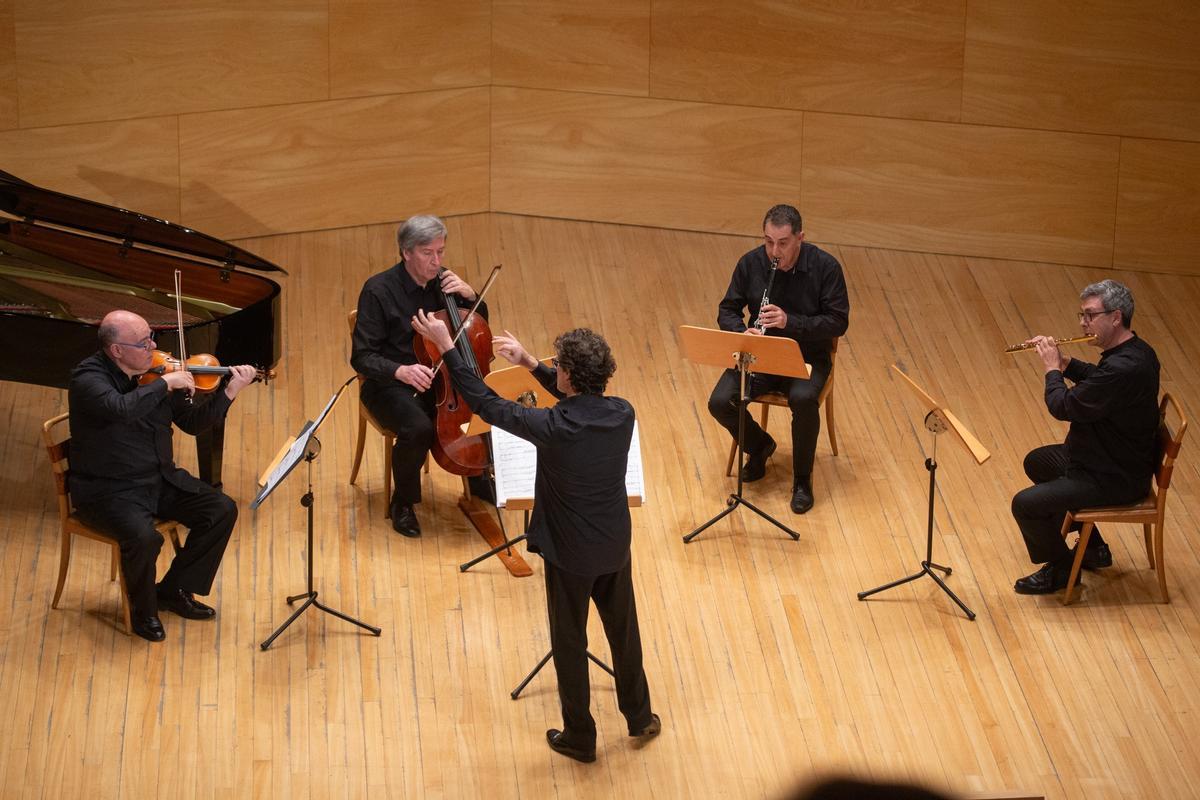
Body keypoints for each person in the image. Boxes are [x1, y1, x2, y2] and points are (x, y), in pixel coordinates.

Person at [411, 311, 661, 763]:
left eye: (557, 366)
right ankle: (640, 715)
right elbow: (578, 399)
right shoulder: (623, 413)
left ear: (568, 374)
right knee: (624, 632)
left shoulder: (553, 428)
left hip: (570, 554)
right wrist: (531, 363)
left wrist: (450, 349)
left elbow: (485, 403)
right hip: (614, 546)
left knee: (570, 642)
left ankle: (580, 737)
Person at [68, 310, 257, 642]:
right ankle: (143, 612)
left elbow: (193, 424)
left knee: (220, 510)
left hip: (157, 479)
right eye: (143, 343)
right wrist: (166, 384)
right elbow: (121, 408)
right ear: (116, 350)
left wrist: (230, 391)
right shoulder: (88, 379)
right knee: (145, 538)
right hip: (108, 491)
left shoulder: (156, 372)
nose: (152, 346)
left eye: (151, 337)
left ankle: (172, 590)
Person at [1011, 279, 1160, 594]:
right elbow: (1100, 381)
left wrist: (1052, 370)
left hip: (1111, 477)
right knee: (1038, 462)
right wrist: (1067, 364)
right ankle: (1093, 548)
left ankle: (1063, 571)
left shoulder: (1125, 367)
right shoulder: (1135, 351)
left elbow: (1063, 406)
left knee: (1025, 504)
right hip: (1105, 459)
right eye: (1082, 315)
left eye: (1090, 315)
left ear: (1116, 316)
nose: (1082, 322)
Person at [350, 215, 489, 537]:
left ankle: (481, 479)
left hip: (443, 379)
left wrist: (470, 296)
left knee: (486, 403)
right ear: (406, 252)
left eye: (441, 252)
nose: (437, 261)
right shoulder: (378, 290)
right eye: (428, 253)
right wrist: (401, 370)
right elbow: (361, 358)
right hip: (390, 383)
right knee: (418, 428)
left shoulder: (446, 284)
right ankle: (403, 502)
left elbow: (475, 329)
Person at [707, 204, 850, 513]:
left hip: (808, 356)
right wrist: (743, 332)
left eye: (783, 243)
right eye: (768, 241)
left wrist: (790, 321)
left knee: (803, 400)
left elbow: (838, 321)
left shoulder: (826, 268)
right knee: (720, 401)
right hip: (761, 354)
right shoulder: (751, 264)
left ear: (800, 237)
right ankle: (759, 447)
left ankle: (802, 480)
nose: (774, 250)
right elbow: (727, 308)